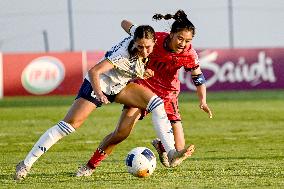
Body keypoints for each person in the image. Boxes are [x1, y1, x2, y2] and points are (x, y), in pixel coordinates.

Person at [14, 25, 190, 180]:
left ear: (154, 41)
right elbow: (94, 71)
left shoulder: (139, 33)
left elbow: (125, 22)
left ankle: (171, 151)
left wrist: (141, 71)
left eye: (148, 47)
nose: (144, 51)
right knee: (69, 126)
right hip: (99, 84)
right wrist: (99, 93)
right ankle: (25, 164)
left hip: (120, 86)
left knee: (156, 104)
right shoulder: (123, 55)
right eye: (140, 47)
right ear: (135, 42)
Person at [76, 10, 212, 177]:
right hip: (143, 89)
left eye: (188, 40)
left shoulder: (189, 53)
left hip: (169, 96)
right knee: (121, 133)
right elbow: (125, 24)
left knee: (176, 158)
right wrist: (135, 29)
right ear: (170, 35)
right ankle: (90, 166)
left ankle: (163, 147)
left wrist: (203, 100)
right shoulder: (154, 40)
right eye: (180, 38)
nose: (183, 43)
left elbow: (198, 77)